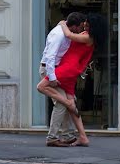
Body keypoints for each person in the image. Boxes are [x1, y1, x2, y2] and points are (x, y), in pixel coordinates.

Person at [37, 13, 107, 147]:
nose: (85, 24)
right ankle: (82, 136)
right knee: (71, 102)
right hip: (69, 68)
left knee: (42, 87)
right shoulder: (88, 35)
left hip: (67, 68)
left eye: (87, 23)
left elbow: (69, 35)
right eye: (84, 22)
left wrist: (62, 23)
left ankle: (55, 135)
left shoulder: (87, 37)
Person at [39, 12, 87, 147]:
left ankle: (68, 135)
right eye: (80, 27)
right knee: (61, 102)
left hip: (58, 71)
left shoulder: (65, 31)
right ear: (74, 26)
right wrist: (52, 77)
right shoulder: (58, 35)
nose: (81, 30)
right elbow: (50, 57)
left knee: (68, 101)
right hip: (50, 70)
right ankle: (52, 137)